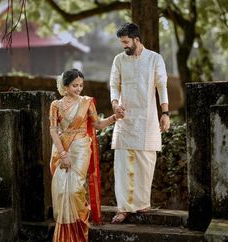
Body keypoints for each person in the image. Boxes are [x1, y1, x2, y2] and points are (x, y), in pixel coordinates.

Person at [109, 23, 170, 223]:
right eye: (121, 42)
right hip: (124, 118)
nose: (124, 46)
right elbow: (114, 85)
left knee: (146, 163)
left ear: (136, 39)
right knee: (122, 164)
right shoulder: (119, 60)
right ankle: (123, 208)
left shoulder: (154, 58)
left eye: (126, 42)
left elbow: (162, 85)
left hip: (147, 118)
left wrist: (165, 112)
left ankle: (143, 204)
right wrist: (115, 104)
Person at [49, 68, 117, 242]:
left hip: (80, 149)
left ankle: (79, 228)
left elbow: (97, 124)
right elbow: (53, 130)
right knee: (60, 191)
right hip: (61, 149)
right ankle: (65, 235)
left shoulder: (87, 102)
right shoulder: (55, 105)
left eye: (81, 85)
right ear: (65, 86)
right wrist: (63, 154)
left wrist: (113, 118)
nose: (78, 89)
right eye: (74, 86)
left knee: (75, 190)